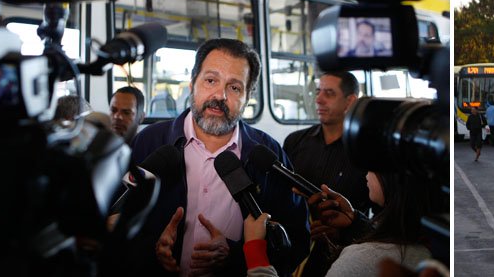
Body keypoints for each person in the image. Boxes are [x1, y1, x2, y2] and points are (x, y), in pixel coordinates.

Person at [127, 38, 310, 276]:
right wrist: (149, 249)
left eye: (234, 87)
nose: (220, 95)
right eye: (211, 80)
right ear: (192, 83)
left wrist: (236, 256)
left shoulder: (268, 155)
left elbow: (296, 240)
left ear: (248, 96)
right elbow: (114, 224)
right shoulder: (148, 143)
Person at [245, 170, 433, 277]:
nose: (366, 170)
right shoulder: (431, 241)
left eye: (374, 161)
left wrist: (255, 253)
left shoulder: (364, 259)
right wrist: (356, 225)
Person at [282, 71, 372, 277]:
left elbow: (382, 219)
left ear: (350, 102)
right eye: (318, 92)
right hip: (291, 256)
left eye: (329, 93)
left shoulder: (365, 153)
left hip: (342, 260)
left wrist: (344, 231)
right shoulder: (295, 142)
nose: (319, 99)